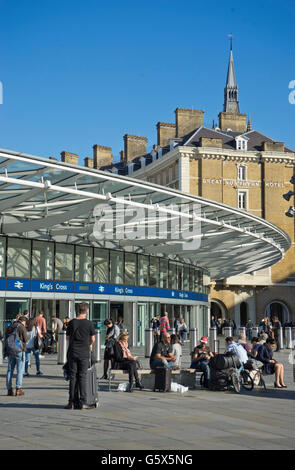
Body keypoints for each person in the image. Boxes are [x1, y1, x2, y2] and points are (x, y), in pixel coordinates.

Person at [65, 302, 95, 409]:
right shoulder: (89, 323)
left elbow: (67, 338)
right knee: (82, 376)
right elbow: (92, 339)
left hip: (72, 352)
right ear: (87, 311)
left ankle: (71, 402)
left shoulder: (72, 322)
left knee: (73, 377)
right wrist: (87, 344)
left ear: (78, 310)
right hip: (84, 353)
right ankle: (83, 402)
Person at [5, 315, 28, 396]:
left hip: (11, 351)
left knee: (9, 370)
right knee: (19, 370)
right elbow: (26, 339)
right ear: (24, 321)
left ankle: (9, 389)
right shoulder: (21, 327)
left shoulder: (10, 326)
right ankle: (18, 389)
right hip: (19, 351)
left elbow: (6, 338)